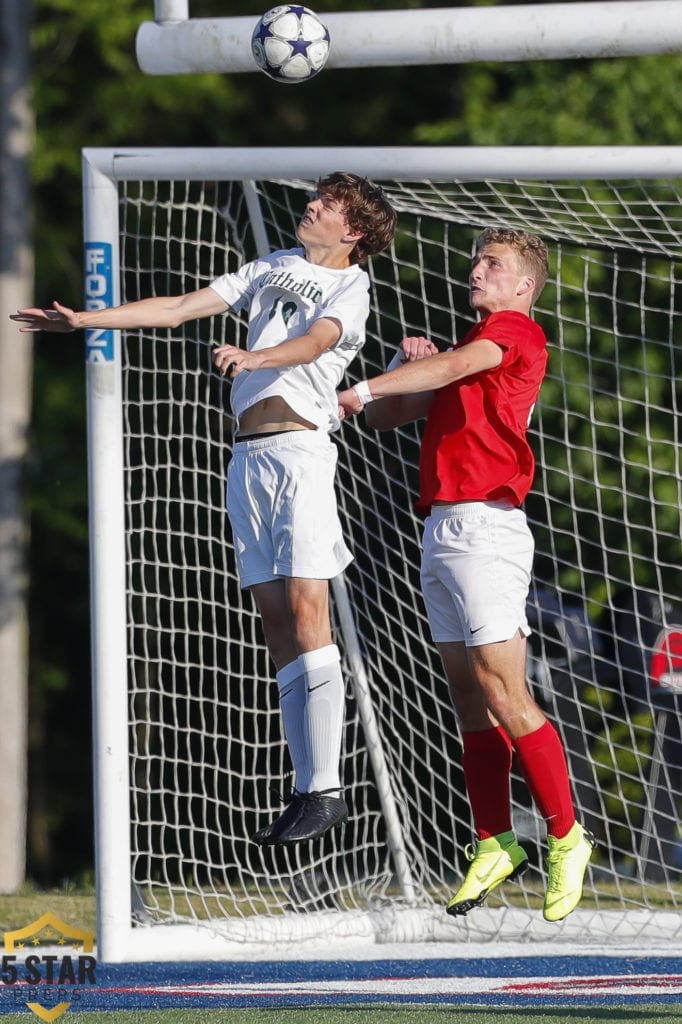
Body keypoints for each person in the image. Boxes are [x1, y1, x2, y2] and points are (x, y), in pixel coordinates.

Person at [11, 171, 398, 847]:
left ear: (354, 231)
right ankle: (310, 789)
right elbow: (181, 306)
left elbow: (315, 343)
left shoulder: (351, 286)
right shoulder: (272, 265)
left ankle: (328, 784)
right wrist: (83, 319)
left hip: (301, 457)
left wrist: (256, 356)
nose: (311, 206)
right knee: (276, 619)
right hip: (247, 460)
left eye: (328, 204)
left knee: (309, 610)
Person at [337, 227, 595, 922]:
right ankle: (494, 840)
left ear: (522, 286)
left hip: (488, 529)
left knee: (506, 692)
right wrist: (395, 367)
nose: (477, 270)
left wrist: (359, 388)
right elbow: (390, 418)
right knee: (466, 693)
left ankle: (568, 837)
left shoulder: (514, 332)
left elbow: (424, 381)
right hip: (443, 529)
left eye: (494, 264)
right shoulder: (463, 350)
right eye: (478, 259)